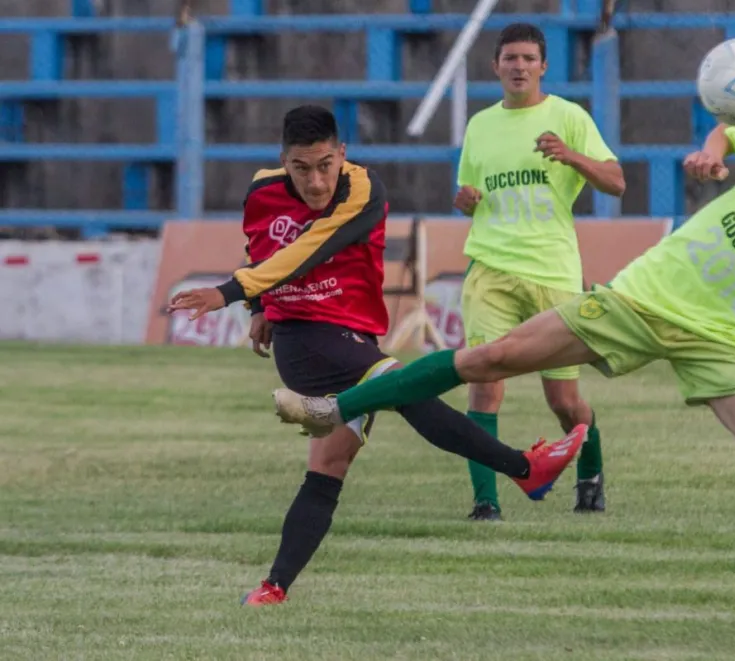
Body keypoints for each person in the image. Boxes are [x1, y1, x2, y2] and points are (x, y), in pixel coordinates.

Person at [273, 120, 735, 643]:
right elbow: (733, 129)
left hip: (725, 345)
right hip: (641, 299)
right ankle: (335, 405)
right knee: (489, 358)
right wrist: (711, 155)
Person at [166, 104, 586, 606]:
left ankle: (274, 587)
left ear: (341, 154)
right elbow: (262, 251)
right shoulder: (262, 191)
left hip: (352, 336)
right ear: (284, 162)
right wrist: (255, 301)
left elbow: (308, 249)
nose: (316, 182)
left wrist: (230, 291)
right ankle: (524, 469)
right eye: (301, 169)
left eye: (325, 165)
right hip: (303, 341)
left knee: (328, 467)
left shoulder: (362, 190)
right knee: (409, 389)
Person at [452, 23, 625, 520]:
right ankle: (485, 501)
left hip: (552, 270)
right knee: (484, 381)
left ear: (543, 66)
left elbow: (616, 182)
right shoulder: (480, 125)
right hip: (491, 266)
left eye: (529, 58)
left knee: (564, 398)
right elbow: (469, 193)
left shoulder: (568, 117)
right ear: (496, 66)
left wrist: (570, 155)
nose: (519, 66)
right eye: (510, 58)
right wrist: (464, 201)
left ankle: (589, 478)